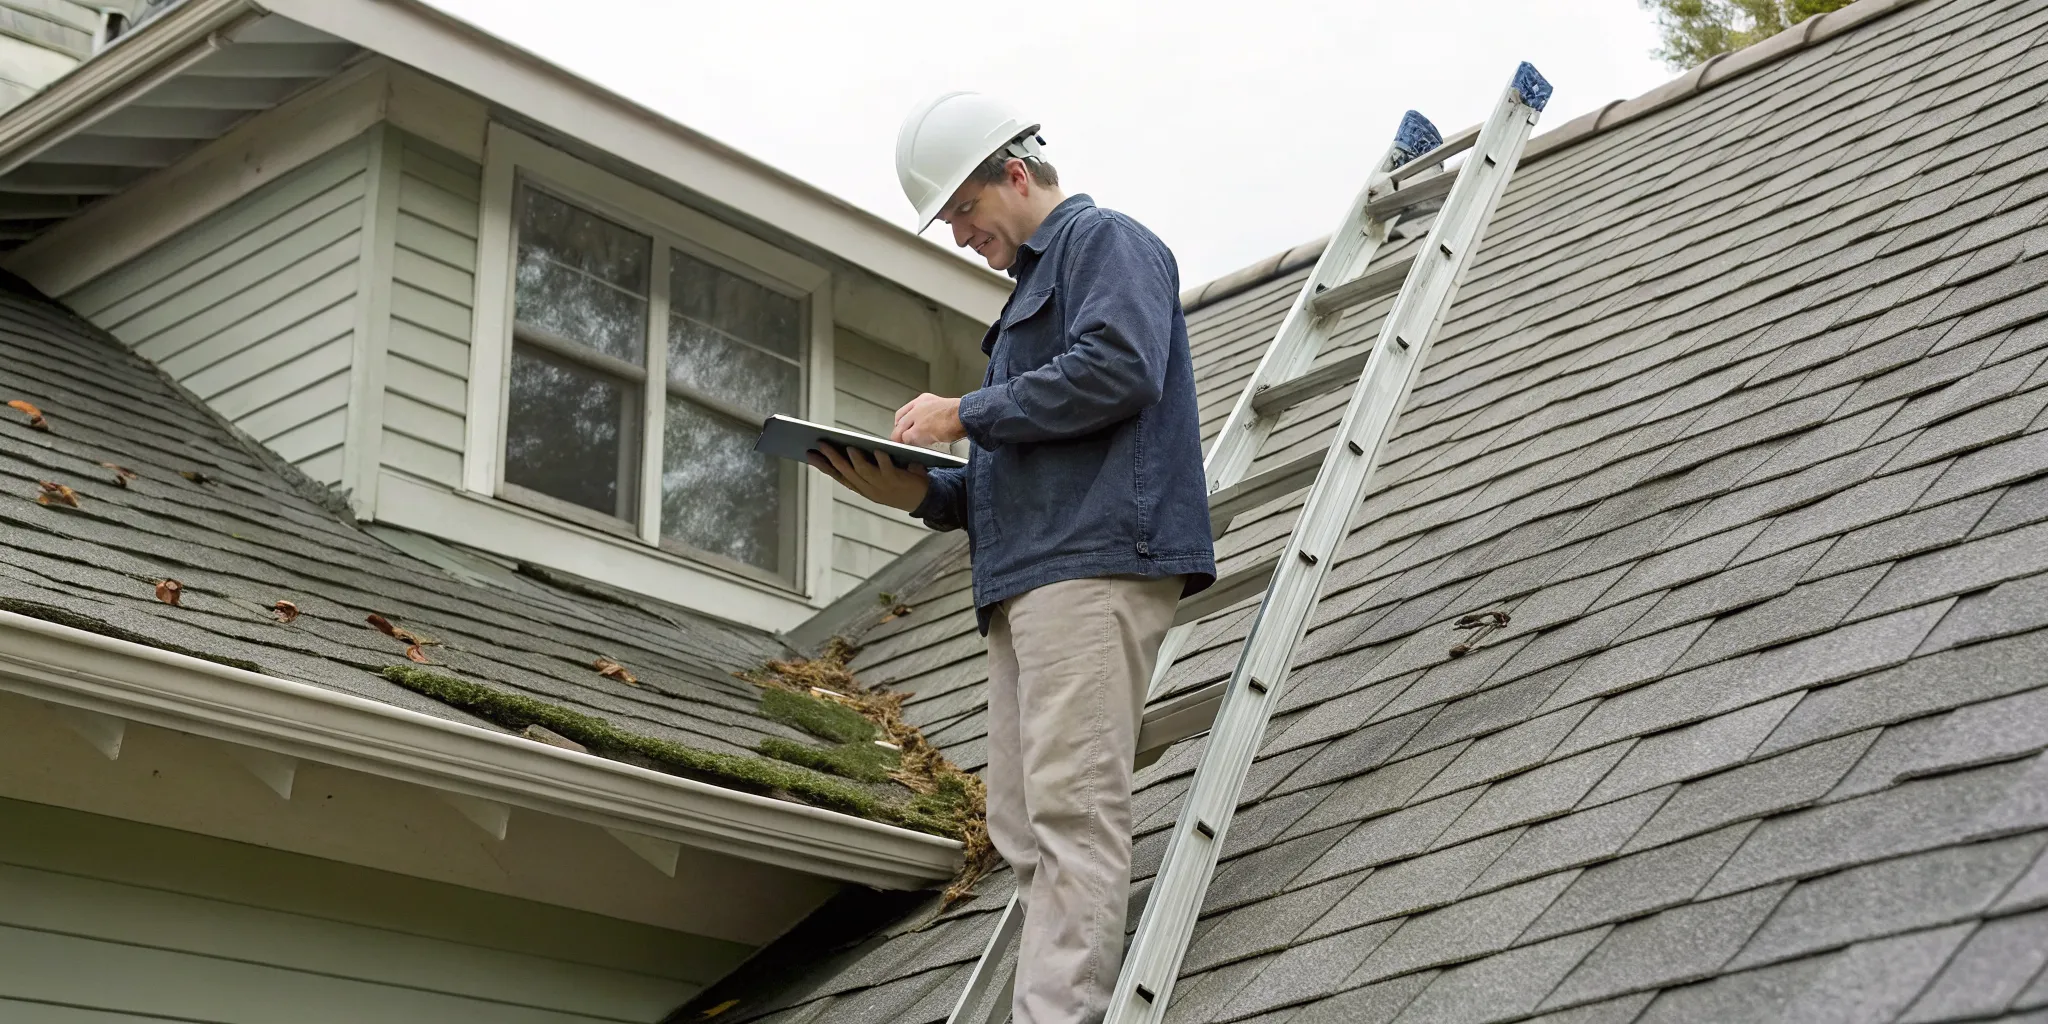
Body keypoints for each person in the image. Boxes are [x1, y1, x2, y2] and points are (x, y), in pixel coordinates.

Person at [807, 91, 1215, 1024]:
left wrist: (962, 412)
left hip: (1092, 563)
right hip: (1030, 574)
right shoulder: (1028, 300)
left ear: (1016, 174)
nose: (959, 236)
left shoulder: (1106, 243)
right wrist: (912, 489)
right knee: (1024, 826)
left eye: (962, 212)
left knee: (1072, 812)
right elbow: (1009, 475)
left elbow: (1119, 370)